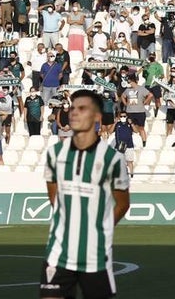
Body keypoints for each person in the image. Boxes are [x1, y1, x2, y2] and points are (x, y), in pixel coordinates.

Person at [41, 90, 130, 299]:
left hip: (96, 256)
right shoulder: (55, 154)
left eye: (82, 109)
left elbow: (123, 203)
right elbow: (54, 198)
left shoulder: (113, 159)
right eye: (72, 108)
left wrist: (101, 226)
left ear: (97, 117)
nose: (74, 113)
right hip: (57, 253)